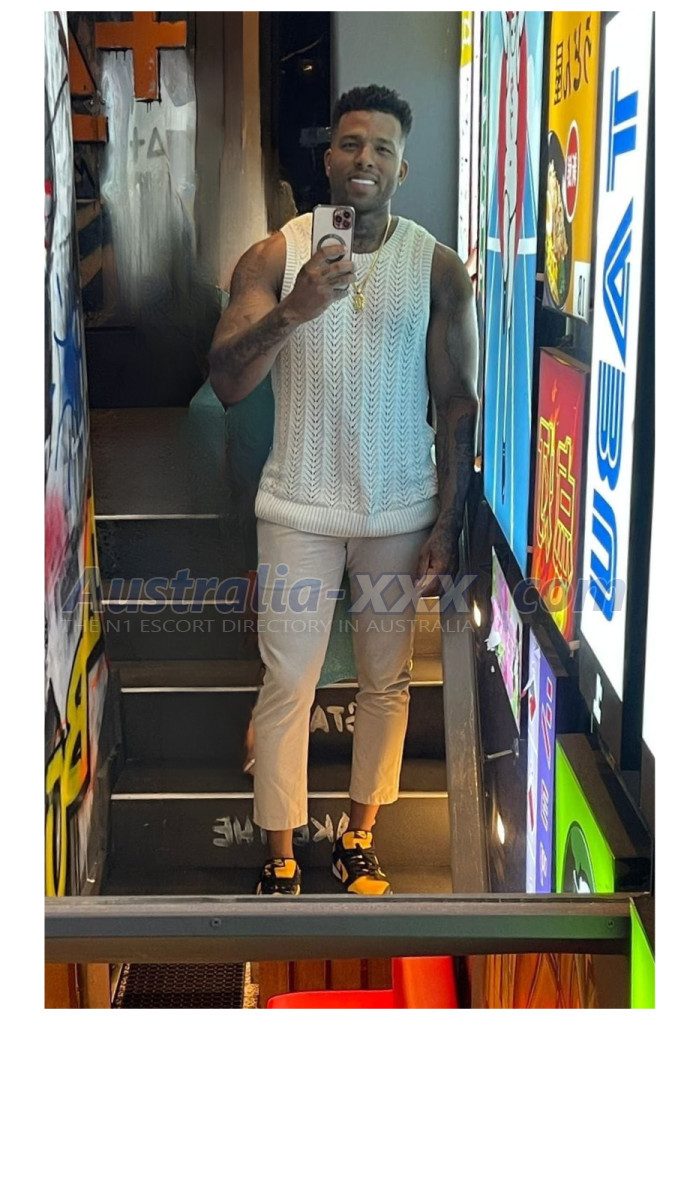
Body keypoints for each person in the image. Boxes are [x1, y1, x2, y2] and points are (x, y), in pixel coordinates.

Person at [208, 84, 479, 896]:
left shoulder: (435, 267)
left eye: (382, 148)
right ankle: (280, 854)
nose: (365, 160)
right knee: (288, 681)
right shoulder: (273, 255)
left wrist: (446, 525)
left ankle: (358, 838)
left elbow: (456, 401)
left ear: (402, 167)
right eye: (351, 144)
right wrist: (294, 309)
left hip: (398, 510)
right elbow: (226, 381)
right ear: (328, 156)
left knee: (385, 682)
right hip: (297, 506)